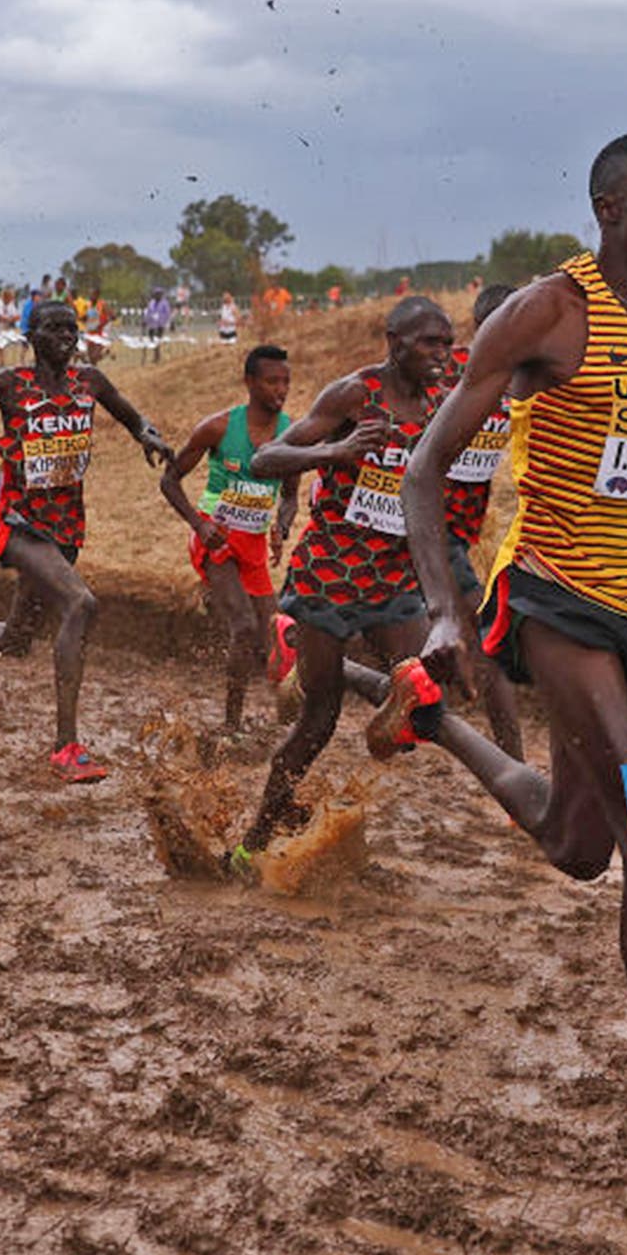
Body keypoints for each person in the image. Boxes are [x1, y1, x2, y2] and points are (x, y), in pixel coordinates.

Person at [385, 132, 627, 1215]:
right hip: (547, 596)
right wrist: (449, 614)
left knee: (576, 846)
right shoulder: (547, 313)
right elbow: (422, 469)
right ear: (607, 209)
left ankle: (435, 729)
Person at [235, 297, 452, 856]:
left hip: (393, 582)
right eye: (431, 343)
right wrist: (336, 450)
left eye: (448, 344)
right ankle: (253, 843)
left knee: (423, 697)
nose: (442, 354)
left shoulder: (441, 402)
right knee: (317, 722)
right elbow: (265, 461)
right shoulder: (355, 395)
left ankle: (363, 692)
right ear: (395, 341)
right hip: (328, 578)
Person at [0, 301, 171, 781]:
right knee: (81, 604)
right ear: (31, 335)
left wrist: (149, 436)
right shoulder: (8, 385)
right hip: (19, 523)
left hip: (65, 528)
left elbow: (132, 418)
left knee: (17, 638)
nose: (66, 337)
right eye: (53, 328)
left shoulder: (90, 383)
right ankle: (66, 748)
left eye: (71, 329)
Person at [158, 344, 297, 735]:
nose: (281, 389)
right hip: (215, 539)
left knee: (277, 632)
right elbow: (169, 480)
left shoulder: (291, 434)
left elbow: (289, 496)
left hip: (253, 544)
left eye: (286, 381)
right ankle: (231, 727)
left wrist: (281, 527)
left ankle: (286, 718)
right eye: (272, 381)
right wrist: (199, 526)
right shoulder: (217, 428)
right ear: (250, 383)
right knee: (244, 628)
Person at [436, 283, 524, 753]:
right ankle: (517, 765)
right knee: (485, 634)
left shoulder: (528, 381)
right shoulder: (447, 373)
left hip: (463, 527)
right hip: (426, 526)